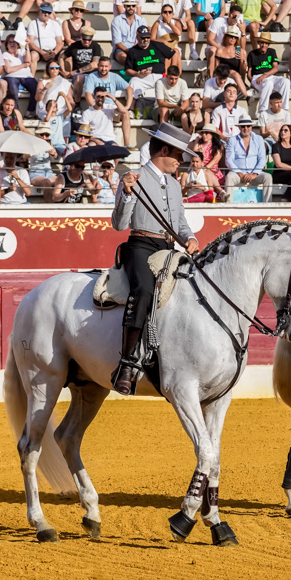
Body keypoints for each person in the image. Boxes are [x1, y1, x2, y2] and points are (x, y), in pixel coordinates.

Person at [110, 123, 199, 394]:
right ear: (164, 151)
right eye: (179, 155)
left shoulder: (173, 185)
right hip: (140, 245)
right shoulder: (133, 178)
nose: (181, 161)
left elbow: (179, 223)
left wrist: (190, 237)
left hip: (169, 248)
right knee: (144, 290)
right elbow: (119, 224)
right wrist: (127, 194)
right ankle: (126, 364)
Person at [224, 116, 273, 200]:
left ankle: (268, 205)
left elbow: (262, 159)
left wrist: (254, 174)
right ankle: (228, 205)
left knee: (267, 177)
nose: (246, 128)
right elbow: (228, 160)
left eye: (248, 126)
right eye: (243, 126)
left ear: (251, 126)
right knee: (229, 177)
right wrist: (240, 173)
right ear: (239, 127)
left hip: (255, 174)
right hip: (238, 174)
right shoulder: (232, 140)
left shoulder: (259, 139)